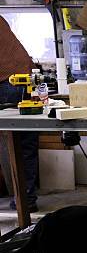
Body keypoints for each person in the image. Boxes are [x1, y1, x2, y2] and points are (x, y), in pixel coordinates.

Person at [0, 15, 39, 212]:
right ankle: (26, 200)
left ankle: (23, 200)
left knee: (20, 143)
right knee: (24, 143)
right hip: (23, 77)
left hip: (9, 81)